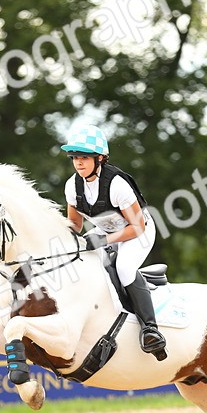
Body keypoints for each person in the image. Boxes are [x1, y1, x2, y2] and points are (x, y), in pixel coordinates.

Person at [61, 124, 167, 359]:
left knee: (124, 267)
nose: (79, 163)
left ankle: (150, 329)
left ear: (100, 158)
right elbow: (75, 225)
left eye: (85, 158)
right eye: (75, 157)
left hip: (139, 232)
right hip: (106, 233)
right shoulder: (72, 186)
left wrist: (102, 239)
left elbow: (137, 227)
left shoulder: (117, 184)